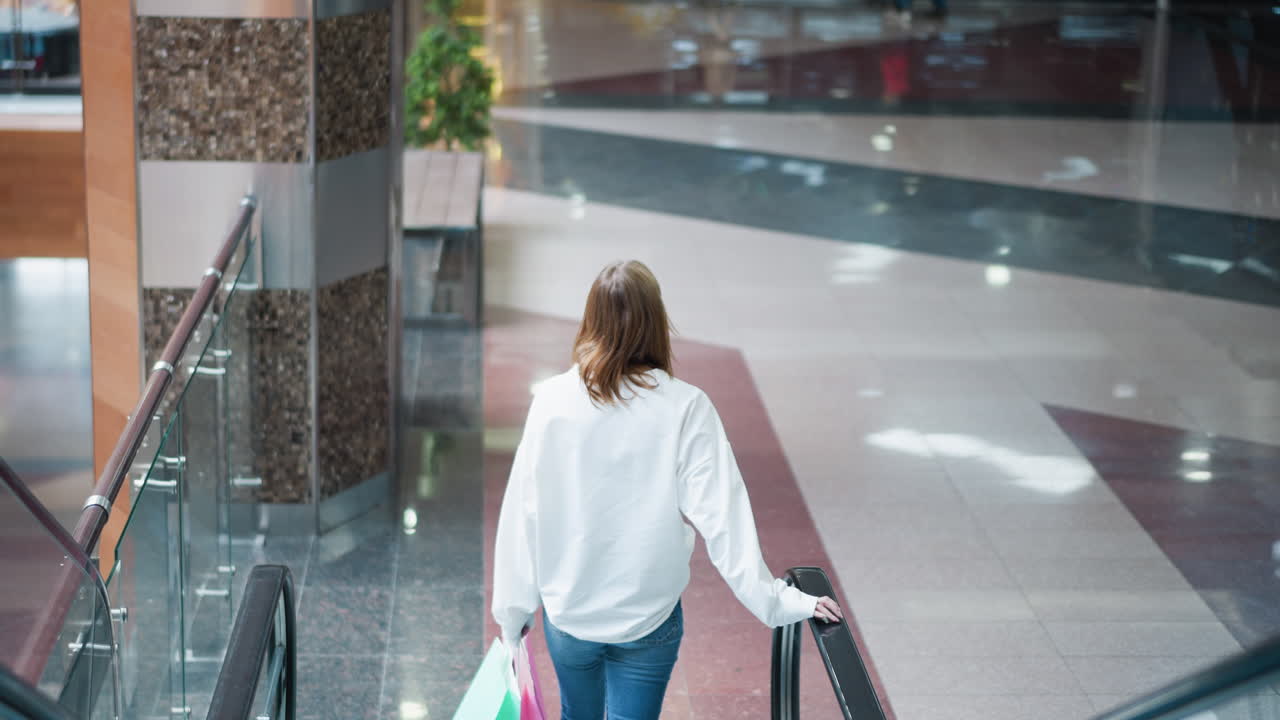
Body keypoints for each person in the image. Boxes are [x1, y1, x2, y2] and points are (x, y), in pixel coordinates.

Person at [492, 260, 843, 720]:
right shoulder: (685, 407)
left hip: (570, 615)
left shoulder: (552, 402)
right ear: (656, 322)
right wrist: (778, 601)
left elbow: (523, 515)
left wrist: (512, 615)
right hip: (648, 617)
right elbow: (724, 519)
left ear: (590, 320)